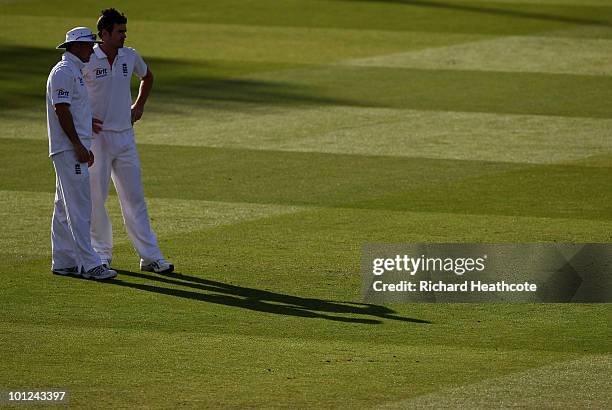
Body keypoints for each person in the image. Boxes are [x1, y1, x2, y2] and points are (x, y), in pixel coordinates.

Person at [83, 8, 173, 274]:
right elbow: (72, 91)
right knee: (96, 198)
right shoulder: (88, 58)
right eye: (120, 31)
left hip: (124, 137)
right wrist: (83, 118)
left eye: (125, 31)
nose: (124, 35)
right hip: (96, 139)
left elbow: (147, 76)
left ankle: (150, 257)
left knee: (134, 198)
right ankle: (101, 255)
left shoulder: (129, 55)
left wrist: (139, 106)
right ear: (104, 33)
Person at [47, 27, 117, 280]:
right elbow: (61, 109)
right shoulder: (64, 72)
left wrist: (82, 143)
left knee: (64, 207)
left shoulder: (74, 71)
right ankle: (90, 264)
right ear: (75, 47)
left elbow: (73, 110)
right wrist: (77, 145)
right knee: (79, 207)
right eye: (89, 45)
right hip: (68, 148)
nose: (92, 49)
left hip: (72, 146)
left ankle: (63, 261)